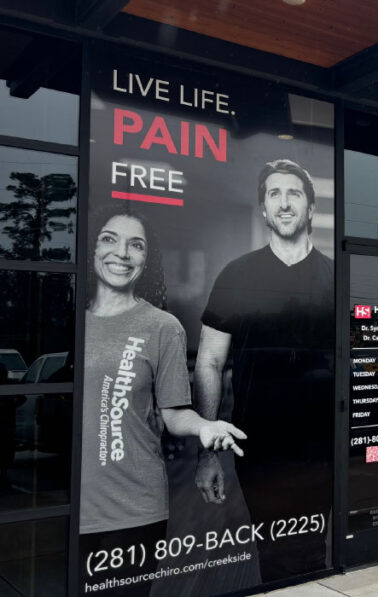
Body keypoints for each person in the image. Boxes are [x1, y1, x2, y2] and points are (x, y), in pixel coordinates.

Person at [80, 205, 245, 596]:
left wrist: (205, 427)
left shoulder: (161, 327)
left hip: (134, 508)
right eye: (109, 239)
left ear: (146, 260)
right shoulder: (71, 323)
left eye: (135, 245)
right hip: (70, 504)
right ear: (91, 249)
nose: (121, 253)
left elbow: (173, 414)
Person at [194, 159, 334, 582]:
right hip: (261, 451)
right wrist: (208, 452)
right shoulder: (236, 276)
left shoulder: (337, 277)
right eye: (274, 194)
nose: (285, 203)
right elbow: (209, 362)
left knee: (313, 551)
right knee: (273, 553)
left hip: (322, 450)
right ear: (263, 209)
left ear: (311, 208)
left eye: (294, 193)